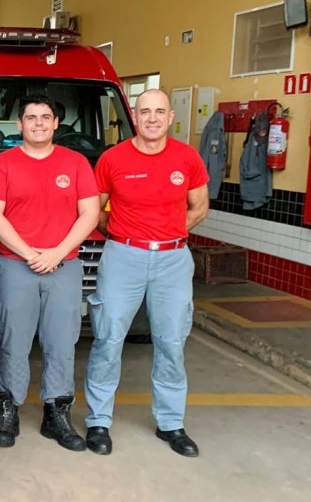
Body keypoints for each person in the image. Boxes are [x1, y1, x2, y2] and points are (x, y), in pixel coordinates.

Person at [84, 89, 209, 458]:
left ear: (171, 117)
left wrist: (168, 234)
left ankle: (171, 424)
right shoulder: (112, 158)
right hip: (123, 257)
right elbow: (97, 210)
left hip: (173, 260)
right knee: (107, 339)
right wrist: (126, 237)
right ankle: (98, 421)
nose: (152, 118)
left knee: (171, 343)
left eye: (159, 112)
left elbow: (199, 207)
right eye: (144, 112)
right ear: (133, 118)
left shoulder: (187, 157)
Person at [0, 95, 100, 451]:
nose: (38, 123)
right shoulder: (2, 164)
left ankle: (56, 414)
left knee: (62, 343)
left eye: (45, 117)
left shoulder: (76, 163)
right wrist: (30, 253)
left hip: (64, 267)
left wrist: (57, 253)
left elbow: (90, 213)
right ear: (19, 125)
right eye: (30, 118)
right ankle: (9, 410)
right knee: (14, 340)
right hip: (16, 265)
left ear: (56, 124)